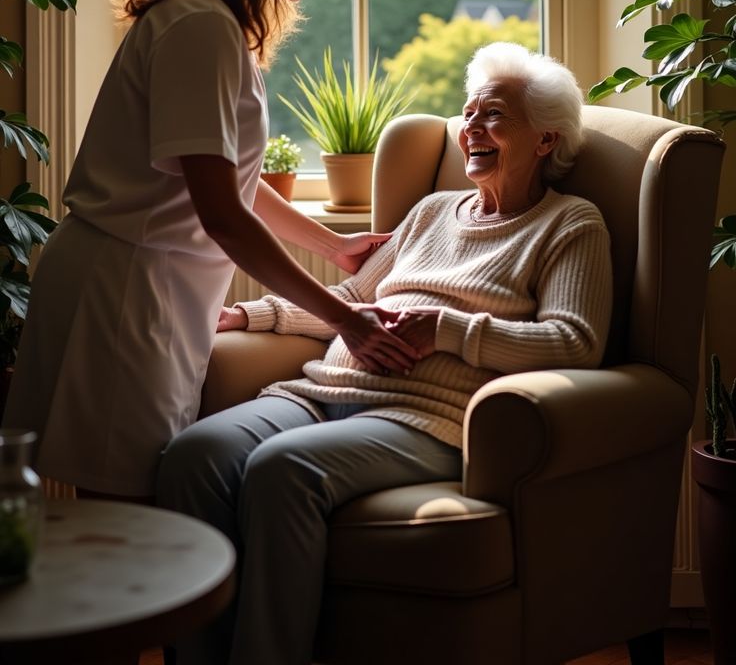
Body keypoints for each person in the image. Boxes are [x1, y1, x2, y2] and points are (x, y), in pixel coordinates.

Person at [156, 41, 614, 665]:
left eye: (494, 116)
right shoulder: (430, 213)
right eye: (469, 113)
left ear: (545, 139)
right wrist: (251, 314)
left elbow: (576, 344)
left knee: (282, 470)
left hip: (425, 419)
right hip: (320, 395)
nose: (471, 129)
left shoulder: (569, 224)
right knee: (193, 457)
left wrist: (445, 330)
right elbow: (348, 299)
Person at [4, 0, 419, 500]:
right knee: (125, 518)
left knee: (131, 510)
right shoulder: (200, 29)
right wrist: (346, 318)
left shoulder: (214, 25)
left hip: (150, 288)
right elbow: (221, 214)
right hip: (126, 293)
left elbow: (233, 187)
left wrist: (333, 246)